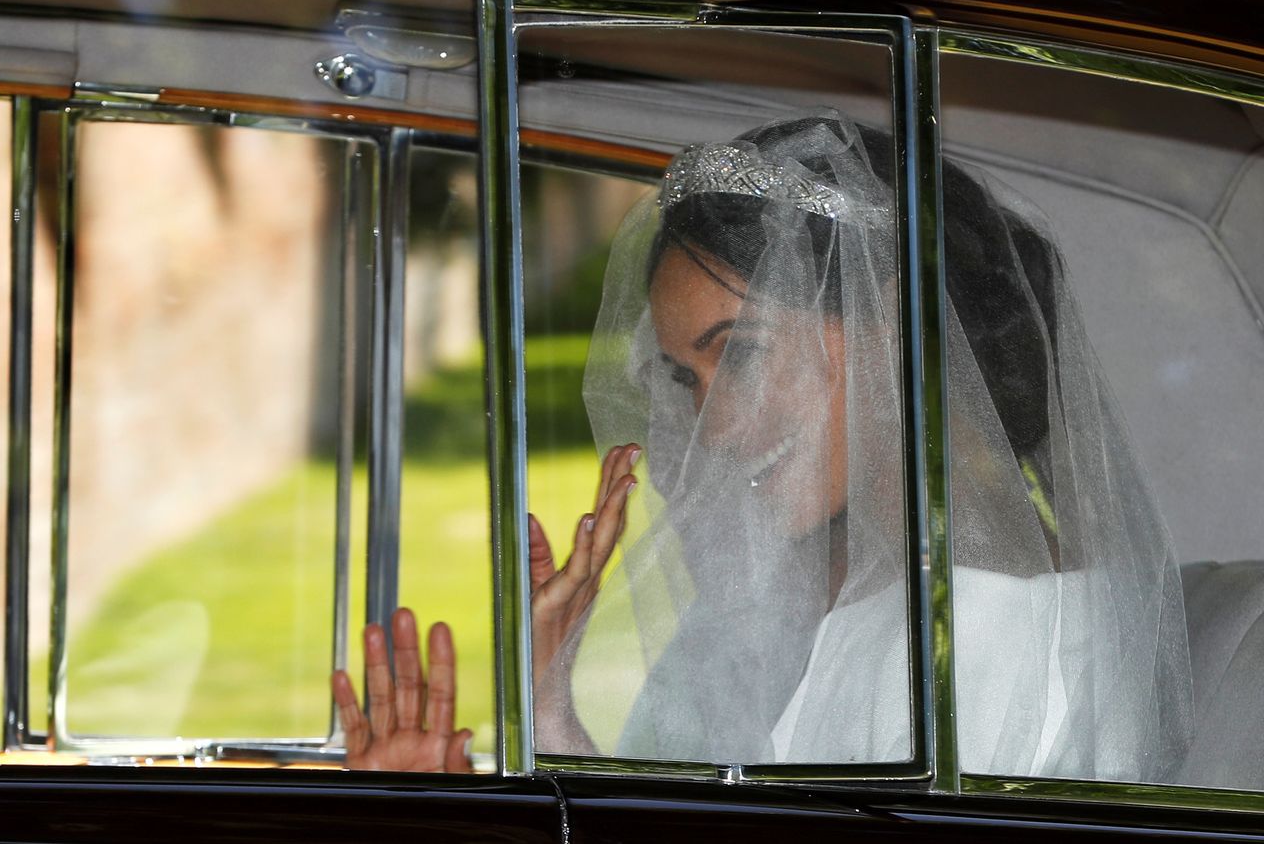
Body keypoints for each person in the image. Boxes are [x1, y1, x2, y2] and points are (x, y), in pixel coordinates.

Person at [333, 110, 1194, 781]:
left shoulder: (982, 628)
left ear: (893, 321)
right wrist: (550, 703)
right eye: (687, 380)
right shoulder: (866, 588)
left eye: (739, 352)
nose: (713, 431)